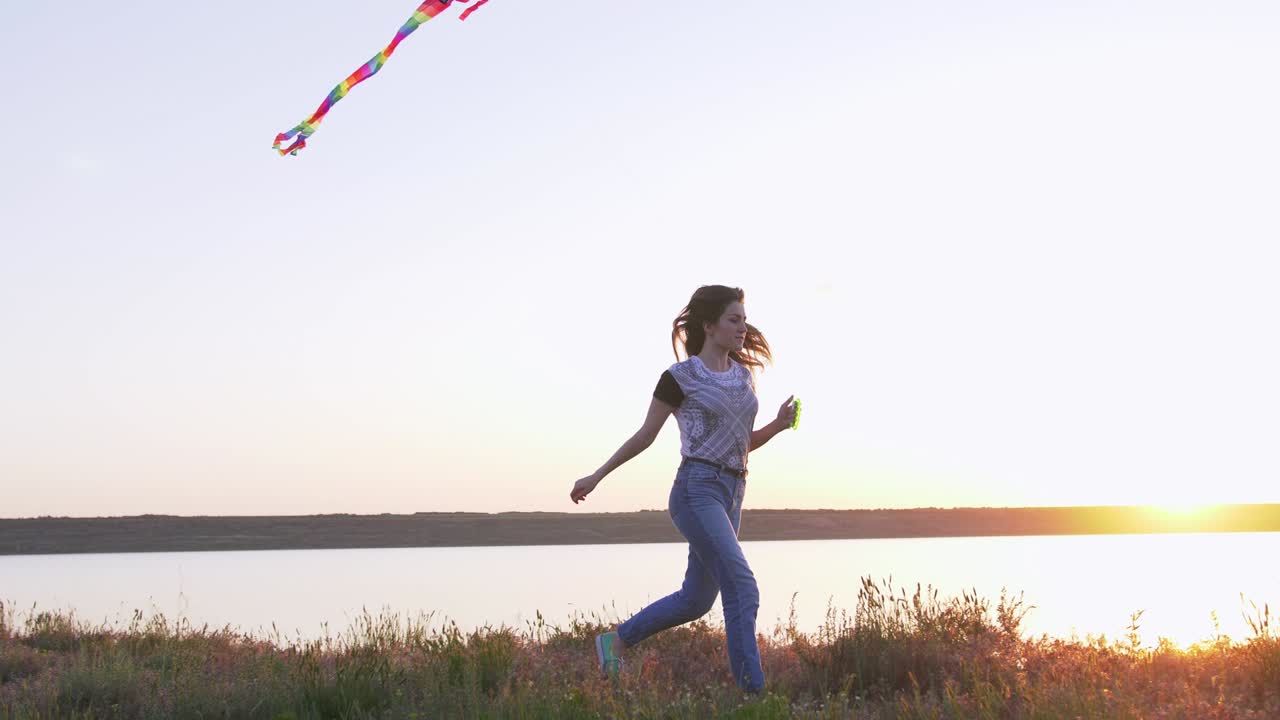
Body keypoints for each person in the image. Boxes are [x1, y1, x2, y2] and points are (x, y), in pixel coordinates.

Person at [569, 284, 797, 694]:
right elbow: (644, 436)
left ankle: (614, 642)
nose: (743, 327)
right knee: (742, 585)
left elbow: (741, 441)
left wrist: (778, 426)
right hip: (696, 490)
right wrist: (597, 475)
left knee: (696, 600)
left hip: (733, 492)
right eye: (734, 319)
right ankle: (755, 696)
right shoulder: (679, 378)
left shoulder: (743, 377)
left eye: (744, 320)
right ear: (709, 326)